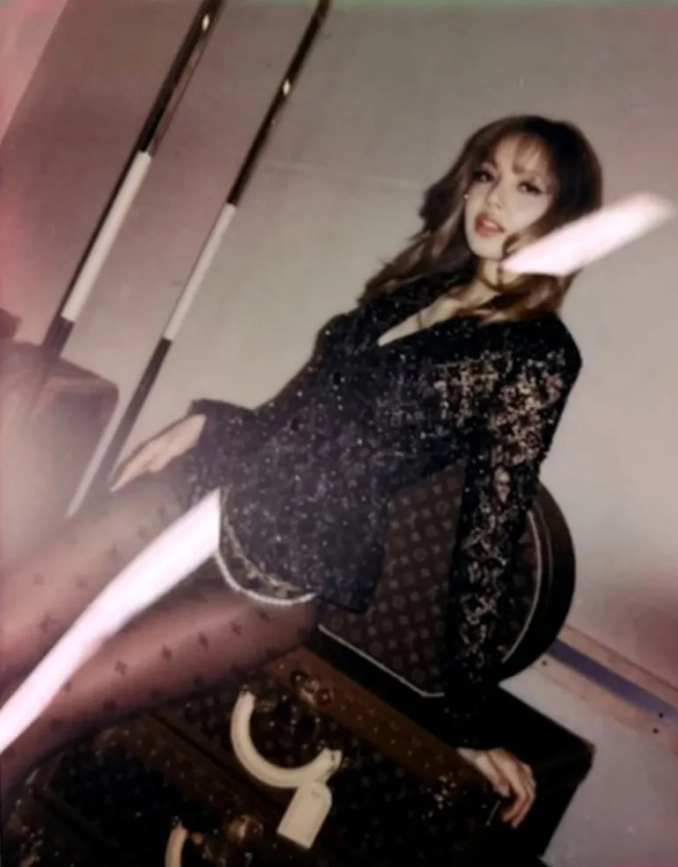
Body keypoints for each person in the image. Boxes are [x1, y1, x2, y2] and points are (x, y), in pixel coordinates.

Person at [0, 114, 602, 831]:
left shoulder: (537, 354)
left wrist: (468, 723)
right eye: (486, 174)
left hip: (278, 579)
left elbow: (488, 540)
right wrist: (212, 423)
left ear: (565, 216)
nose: (493, 198)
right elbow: (302, 414)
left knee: (44, 705)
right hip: (208, 491)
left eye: (528, 187)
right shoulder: (417, 288)